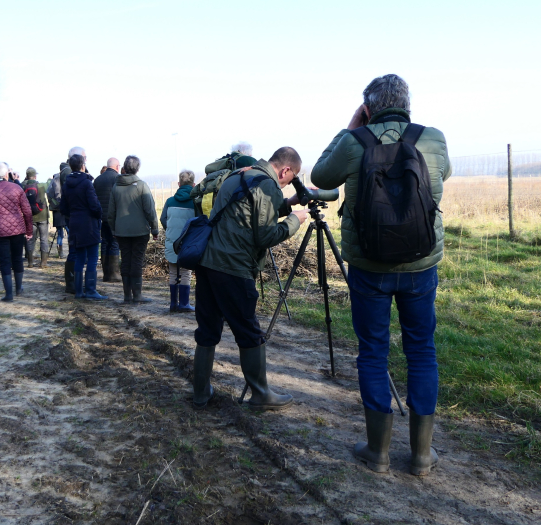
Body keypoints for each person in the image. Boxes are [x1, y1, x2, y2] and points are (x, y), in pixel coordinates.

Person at [311, 74, 451, 476]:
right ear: (407, 104)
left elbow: (321, 177)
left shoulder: (354, 142)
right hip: (421, 264)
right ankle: (421, 455)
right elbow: (442, 177)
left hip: (369, 266)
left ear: (368, 108)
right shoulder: (433, 138)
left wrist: (350, 127)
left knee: (372, 350)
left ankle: (378, 451)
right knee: (421, 350)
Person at [192, 147, 309, 411]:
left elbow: (246, 212)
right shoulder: (267, 184)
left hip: (208, 262)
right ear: (285, 170)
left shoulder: (241, 174)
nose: (287, 184)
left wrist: (287, 204)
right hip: (233, 267)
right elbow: (265, 236)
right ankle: (260, 394)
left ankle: (200, 392)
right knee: (248, 331)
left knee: (208, 330)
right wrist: (295, 220)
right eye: (290, 179)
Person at [106, 155, 158, 304]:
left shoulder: (116, 187)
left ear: (124, 167)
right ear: (137, 168)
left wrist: (114, 230)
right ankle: (137, 295)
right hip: (140, 231)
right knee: (136, 261)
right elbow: (150, 210)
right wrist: (154, 229)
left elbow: (111, 213)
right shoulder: (141, 186)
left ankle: (127, 295)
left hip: (121, 231)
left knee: (125, 260)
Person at [0, 162, 33, 302]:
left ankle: (9, 294)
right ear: (6, 174)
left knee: (4, 261)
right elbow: (27, 211)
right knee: (17, 258)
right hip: (17, 228)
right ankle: (19, 288)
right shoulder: (16, 188)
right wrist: (29, 230)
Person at [59, 154, 107, 300]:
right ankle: (91, 290)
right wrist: (99, 215)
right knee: (92, 257)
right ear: (82, 166)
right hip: (89, 224)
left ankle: (79, 291)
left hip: (74, 223)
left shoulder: (66, 184)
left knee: (79, 258)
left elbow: (63, 207)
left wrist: (74, 215)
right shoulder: (86, 183)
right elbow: (94, 205)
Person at [160, 170, 197, 312]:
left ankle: (173, 304)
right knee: (186, 272)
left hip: (172, 241)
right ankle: (184, 304)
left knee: (173, 273)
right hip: (188, 242)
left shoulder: (170, 201)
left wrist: (170, 230)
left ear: (178, 184)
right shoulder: (195, 202)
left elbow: (163, 219)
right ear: (194, 184)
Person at [60, 146, 87, 294]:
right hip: (76, 218)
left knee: (76, 250)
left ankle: (74, 282)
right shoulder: (70, 174)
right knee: (75, 250)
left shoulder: (68, 173)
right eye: (84, 158)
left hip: (72, 217)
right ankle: (72, 283)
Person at [93, 157, 122, 282]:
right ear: (117, 167)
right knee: (114, 243)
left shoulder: (98, 179)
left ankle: (106, 274)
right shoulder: (118, 179)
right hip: (114, 217)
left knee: (104, 243)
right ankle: (114, 274)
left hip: (101, 217)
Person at [22, 167, 50, 268]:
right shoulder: (41, 186)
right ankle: (43, 263)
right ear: (35, 176)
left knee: (30, 239)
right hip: (42, 216)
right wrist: (50, 179)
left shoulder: (23, 186)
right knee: (44, 239)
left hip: (30, 217)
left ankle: (30, 262)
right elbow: (49, 184)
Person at [47, 169, 67, 258]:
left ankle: (60, 253)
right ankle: (71, 251)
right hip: (63, 210)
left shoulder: (52, 182)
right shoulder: (60, 180)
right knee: (69, 231)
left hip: (56, 211)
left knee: (60, 233)